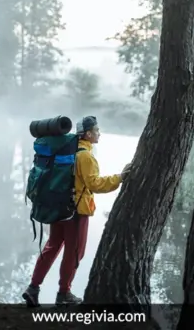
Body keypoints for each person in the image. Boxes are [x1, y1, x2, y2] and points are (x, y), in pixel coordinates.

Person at [22, 116, 131, 307]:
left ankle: (33, 288)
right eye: (96, 130)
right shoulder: (85, 156)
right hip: (76, 213)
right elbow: (95, 184)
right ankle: (64, 293)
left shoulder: (67, 151)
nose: (99, 133)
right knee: (74, 253)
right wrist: (120, 177)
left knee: (52, 246)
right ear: (88, 134)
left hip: (57, 207)